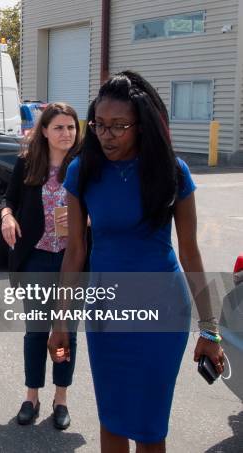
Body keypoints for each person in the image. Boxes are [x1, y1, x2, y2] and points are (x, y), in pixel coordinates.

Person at [48, 71, 224, 452]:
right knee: (111, 419)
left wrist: (209, 330)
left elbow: (191, 252)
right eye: (99, 126)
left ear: (142, 126)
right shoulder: (83, 171)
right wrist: (60, 321)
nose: (105, 136)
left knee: (148, 427)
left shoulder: (173, 173)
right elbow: (75, 251)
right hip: (105, 312)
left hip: (161, 313)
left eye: (118, 127)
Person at [0, 102, 81, 430]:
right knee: (36, 332)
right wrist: (6, 216)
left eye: (71, 127)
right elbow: (9, 199)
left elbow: (100, 209)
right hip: (36, 257)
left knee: (67, 333)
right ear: (44, 131)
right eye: (59, 127)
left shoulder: (84, 167)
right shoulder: (28, 163)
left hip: (72, 260)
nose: (66, 134)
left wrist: (85, 219)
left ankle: (61, 398)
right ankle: (31, 395)